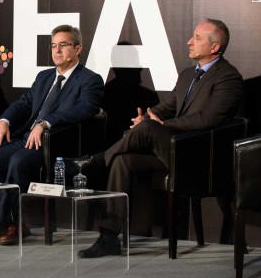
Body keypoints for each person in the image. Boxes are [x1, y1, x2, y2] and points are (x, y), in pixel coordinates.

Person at [79, 18, 243, 258]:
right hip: (172, 151)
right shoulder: (188, 74)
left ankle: (95, 161)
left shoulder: (228, 78)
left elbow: (207, 120)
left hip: (199, 157)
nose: (189, 42)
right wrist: (149, 115)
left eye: (197, 38)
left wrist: (159, 124)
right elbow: (167, 106)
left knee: (147, 129)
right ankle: (108, 236)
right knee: (123, 160)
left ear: (215, 47)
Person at [0, 24, 104, 246]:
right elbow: (23, 104)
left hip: (55, 143)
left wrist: (45, 123)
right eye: (53, 46)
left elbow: (85, 109)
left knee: (17, 161)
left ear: (78, 48)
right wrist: (4, 121)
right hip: (25, 139)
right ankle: (12, 224)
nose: (57, 51)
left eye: (63, 45)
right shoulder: (44, 77)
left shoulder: (90, 79)